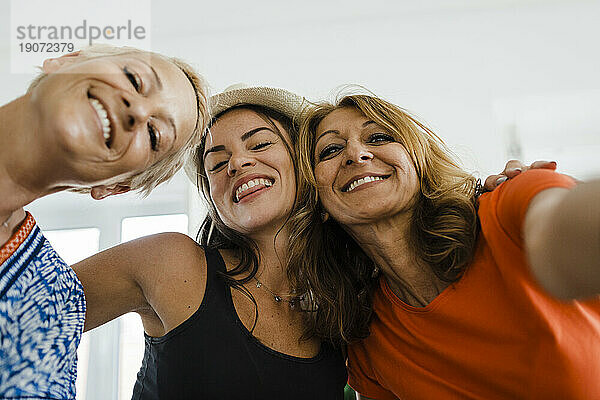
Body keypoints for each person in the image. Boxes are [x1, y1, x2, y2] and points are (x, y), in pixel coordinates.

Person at [290, 92, 600, 400]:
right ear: (317, 200)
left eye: (379, 137)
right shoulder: (369, 343)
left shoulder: (510, 207)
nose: (357, 154)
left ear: (419, 161)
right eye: (331, 149)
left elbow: (563, 230)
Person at [71, 85, 349, 399]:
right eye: (216, 164)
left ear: (303, 163)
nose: (237, 163)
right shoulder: (169, 262)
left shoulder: (342, 308)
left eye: (259, 144)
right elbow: (18, 312)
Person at [0, 45, 208, 399]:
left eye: (155, 135)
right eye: (134, 78)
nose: (138, 110)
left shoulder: (53, 304)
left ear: (114, 187)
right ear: (64, 61)